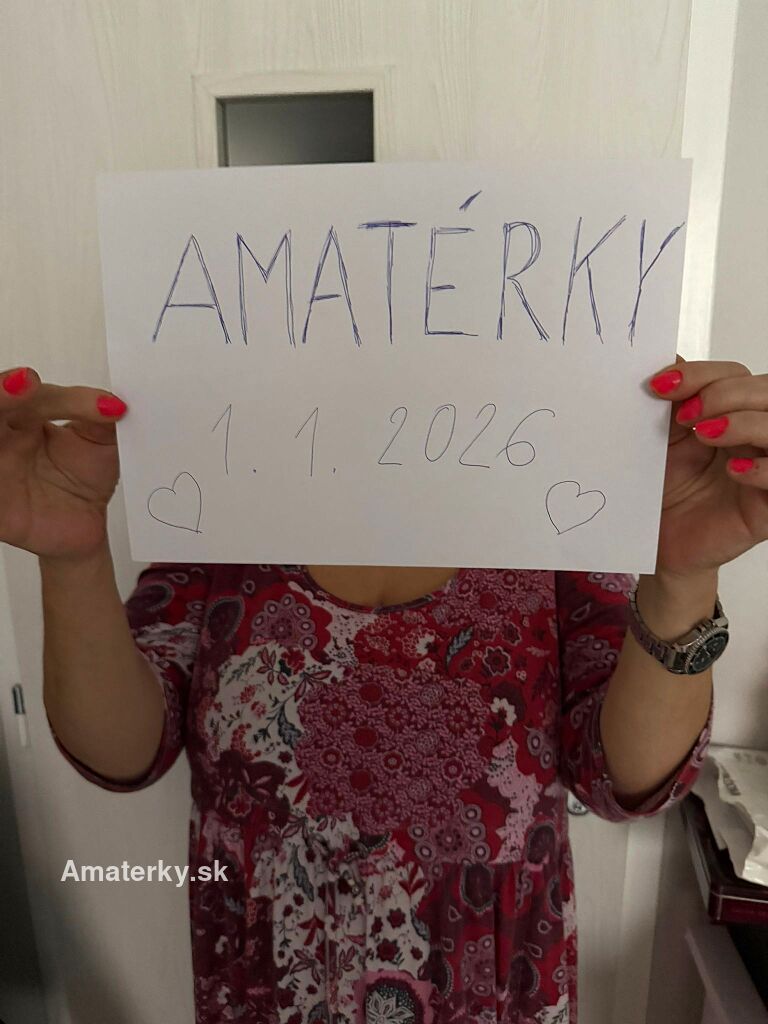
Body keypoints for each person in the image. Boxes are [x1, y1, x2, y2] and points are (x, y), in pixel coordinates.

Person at [2, 357, 766, 1024]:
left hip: (493, 994)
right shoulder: (225, 495)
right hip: (265, 993)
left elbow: (624, 779)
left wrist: (682, 576)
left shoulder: (553, 506)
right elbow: (127, 752)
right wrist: (72, 557)